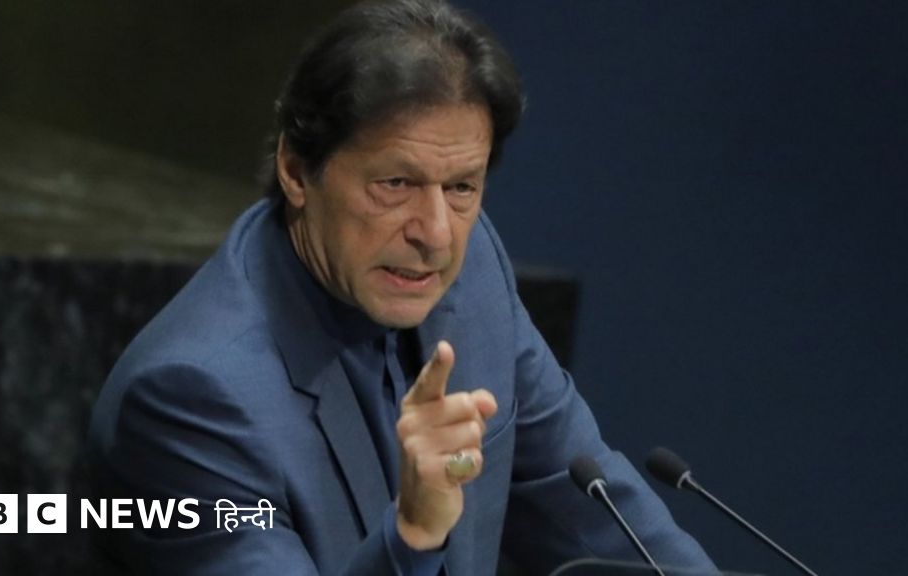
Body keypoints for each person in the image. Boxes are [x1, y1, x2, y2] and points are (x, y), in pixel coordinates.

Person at [87, 0, 717, 574]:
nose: (436, 235)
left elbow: (592, 509)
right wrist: (413, 534)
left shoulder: (473, 273)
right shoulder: (189, 400)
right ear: (297, 170)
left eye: (461, 187)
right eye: (395, 184)